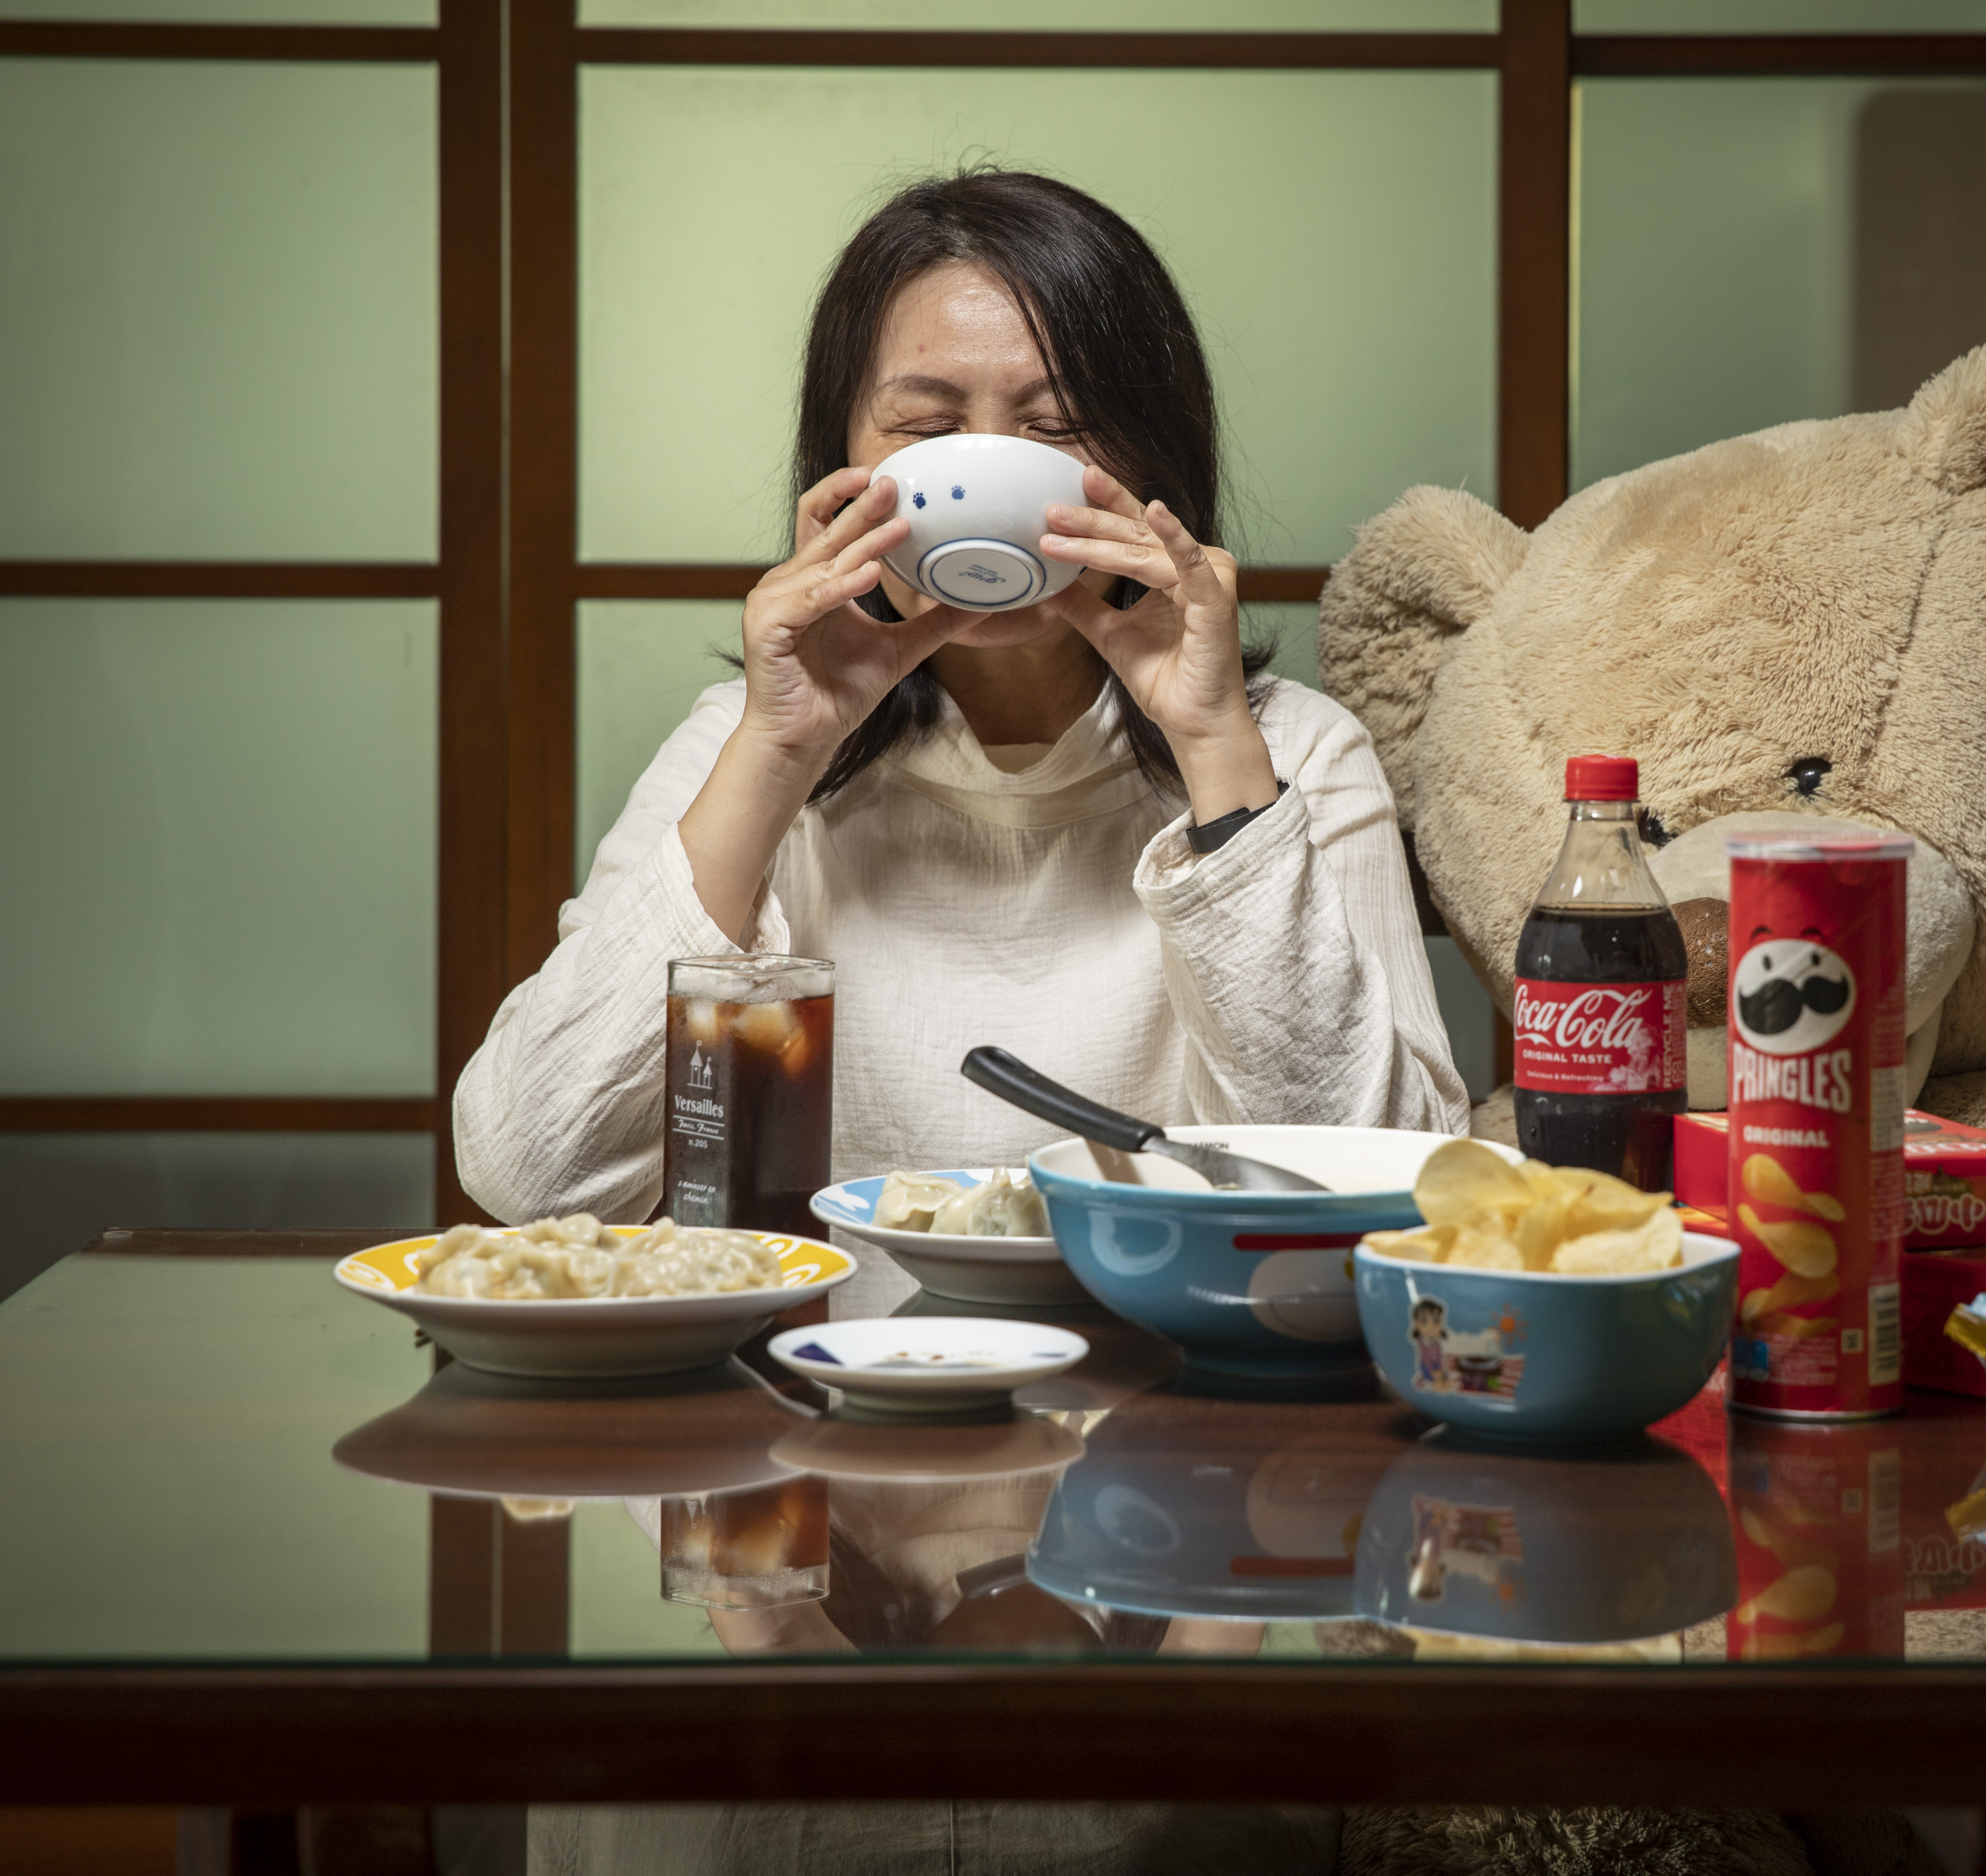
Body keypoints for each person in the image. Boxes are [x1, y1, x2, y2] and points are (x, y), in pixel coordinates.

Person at [454, 169, 1468, 1311]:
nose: (993, 474)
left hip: (1179, 1425)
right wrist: (780, 755)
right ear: (843, 463)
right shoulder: (742, 747)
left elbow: (1388, 1189)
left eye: (1054, 430)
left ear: (1150, 460)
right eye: (931, 429)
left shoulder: (1291, 750)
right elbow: (531, 1174)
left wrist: (1212, 741)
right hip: (809, 1426)